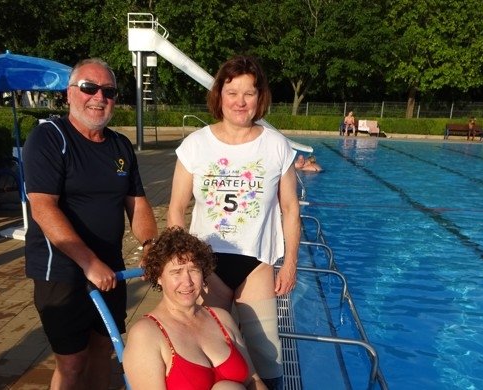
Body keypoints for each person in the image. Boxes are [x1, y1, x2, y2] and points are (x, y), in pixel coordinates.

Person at [22, 58, 158, 390]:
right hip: (62, 271)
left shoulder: (120, 146)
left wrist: (152, 246)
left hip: (108, 267)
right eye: (89, 87)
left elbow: (137, 203)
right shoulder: (49, 138)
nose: (99, 97)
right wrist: (88, 262)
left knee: (103, 348)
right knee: (72, 362)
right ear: (70, 93)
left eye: (108, 91)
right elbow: (42, 207)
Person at [167, 55, 300, 390]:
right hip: (205, 264)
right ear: (219, 96)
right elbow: (176, 209)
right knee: (212, 355)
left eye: (249, 93)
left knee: (267, 354)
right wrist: (183, 265)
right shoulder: (196, 145)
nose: (241, 102)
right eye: (232, 92)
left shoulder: (276, 146)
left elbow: (290, 208)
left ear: (260, 98)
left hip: (256, 265)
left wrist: (290, 264)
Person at [124, 226, 268, 390]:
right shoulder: (146, 335)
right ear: (158, 277)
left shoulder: (221, 318)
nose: (188, 282)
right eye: (176, 272)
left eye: (194, 270)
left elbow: (253, 381)